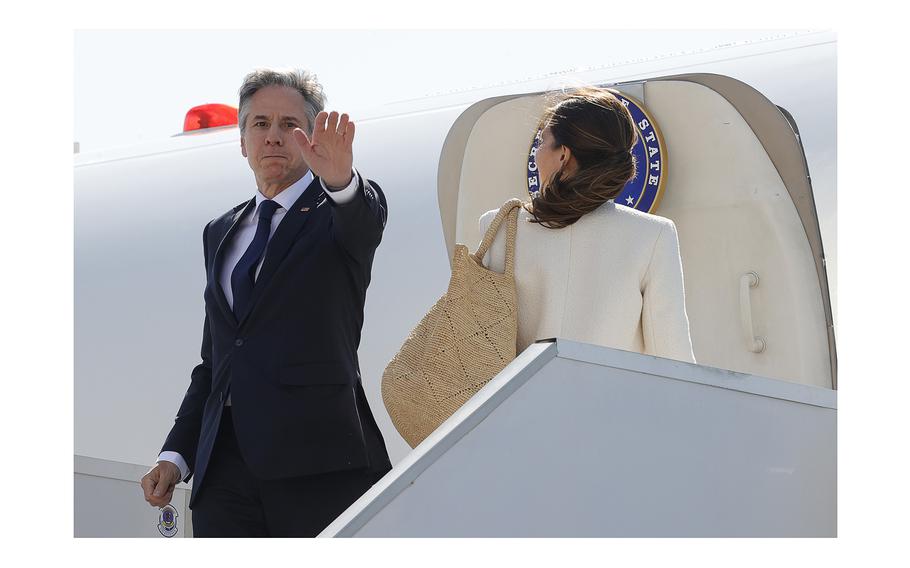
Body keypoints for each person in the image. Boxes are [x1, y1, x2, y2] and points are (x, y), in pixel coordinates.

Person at [139, 68, 392, 537]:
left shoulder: (337, 210)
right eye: (260, 124)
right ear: (241, 141)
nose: (274, 137)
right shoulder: (221, 231)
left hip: (316, 467)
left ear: (311, 136)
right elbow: (217, 361)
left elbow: (363, 222)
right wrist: (176, 455)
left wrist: (342, 181)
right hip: (223, 472)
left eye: (289, 125)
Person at [479, 87, 695, 363]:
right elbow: (673, 359)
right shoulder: (652, 236)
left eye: (541, 143)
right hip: (611, 405)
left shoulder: (499, 228)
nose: (536, 155)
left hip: (521, 405)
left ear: (563, 155)